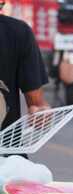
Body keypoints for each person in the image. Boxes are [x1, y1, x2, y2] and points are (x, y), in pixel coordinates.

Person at [0, 1, 50, 131]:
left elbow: (37, 109)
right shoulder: (18, 32)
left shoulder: (19, 32)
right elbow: (36, 105)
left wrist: (40, 114)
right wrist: (41, 114)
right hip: (6, 146)